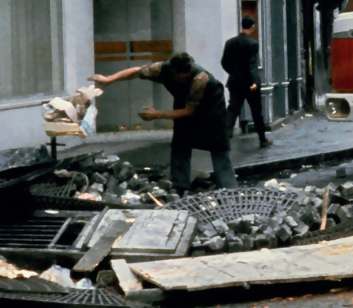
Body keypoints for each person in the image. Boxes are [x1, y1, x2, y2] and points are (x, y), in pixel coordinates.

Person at [89, 52, 235, 196]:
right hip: (185, 104)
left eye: (186, 77)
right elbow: (136, 72)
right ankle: (179, 185)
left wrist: (156, 115)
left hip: (212, 109)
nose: (183, 80)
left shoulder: (200, 78)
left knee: (219, 147)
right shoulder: (162, 69)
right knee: (180, 142)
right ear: (172, 72)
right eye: (179, 78)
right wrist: (109, 79)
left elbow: (188, 111)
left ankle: (229, 189)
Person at [221, 16, 270, 148]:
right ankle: (262, 139)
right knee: (256, 112)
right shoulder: (252, 43)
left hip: (235, 82)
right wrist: (253, 81)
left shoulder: (230, 42)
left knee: (232, 110)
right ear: (253, 26)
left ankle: (225, 139)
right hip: (249, 84)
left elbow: (224, 63)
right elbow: (252, 64)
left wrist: (234, 73)